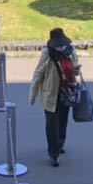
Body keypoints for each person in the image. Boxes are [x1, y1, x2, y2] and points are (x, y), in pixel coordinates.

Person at [29, 28, 81, 166]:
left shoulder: (71, 51)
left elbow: (75, 69)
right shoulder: (47, 54)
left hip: (66, 93)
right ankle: (53, 153)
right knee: (52, 125)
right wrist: (33, 94)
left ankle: (60, 143)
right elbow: (38, 73)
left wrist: (75, 70)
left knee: (63, 121)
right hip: (50, 94)